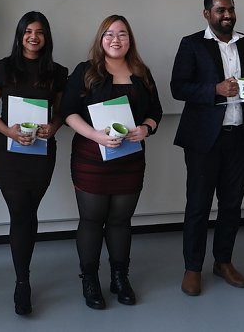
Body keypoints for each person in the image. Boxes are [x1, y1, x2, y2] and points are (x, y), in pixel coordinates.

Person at [61, 15, 162, 309]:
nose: (115, 39)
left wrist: (146, 128)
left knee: (120, 221)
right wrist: (95, 135)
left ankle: (120, 277)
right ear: (100, 39)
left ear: (130, 40)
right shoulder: (86, 71)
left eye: (122, 34)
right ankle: (90, 279)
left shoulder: (142, 72)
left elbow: (155, 110)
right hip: (91, 159)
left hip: (129, 159)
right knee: (92, 221)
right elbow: (68, 111)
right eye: (109, 34)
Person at [171, 0, 244, 296]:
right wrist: (215, 89)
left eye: (231, 10)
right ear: (207, 14)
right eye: (220, 10)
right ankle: (193, 267)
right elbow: (178, 87)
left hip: (240, 137)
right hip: (203, 140)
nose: (227, 15)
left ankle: (223, 262)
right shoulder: (192, 44)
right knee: (198, 205)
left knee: (232, 206)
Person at [0, 12, 68, 316]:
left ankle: (23, 274)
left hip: (41, 153)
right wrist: (9, 131)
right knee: (19, 211)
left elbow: (61, 113)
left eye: (40, 32)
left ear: (46, 37)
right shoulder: (2, 68)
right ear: (20, 36)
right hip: (9, 154)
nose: (33, 37)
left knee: (30, 211)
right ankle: (22, 282)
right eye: (28, 31)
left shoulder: (58, 73)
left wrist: (53, 127)